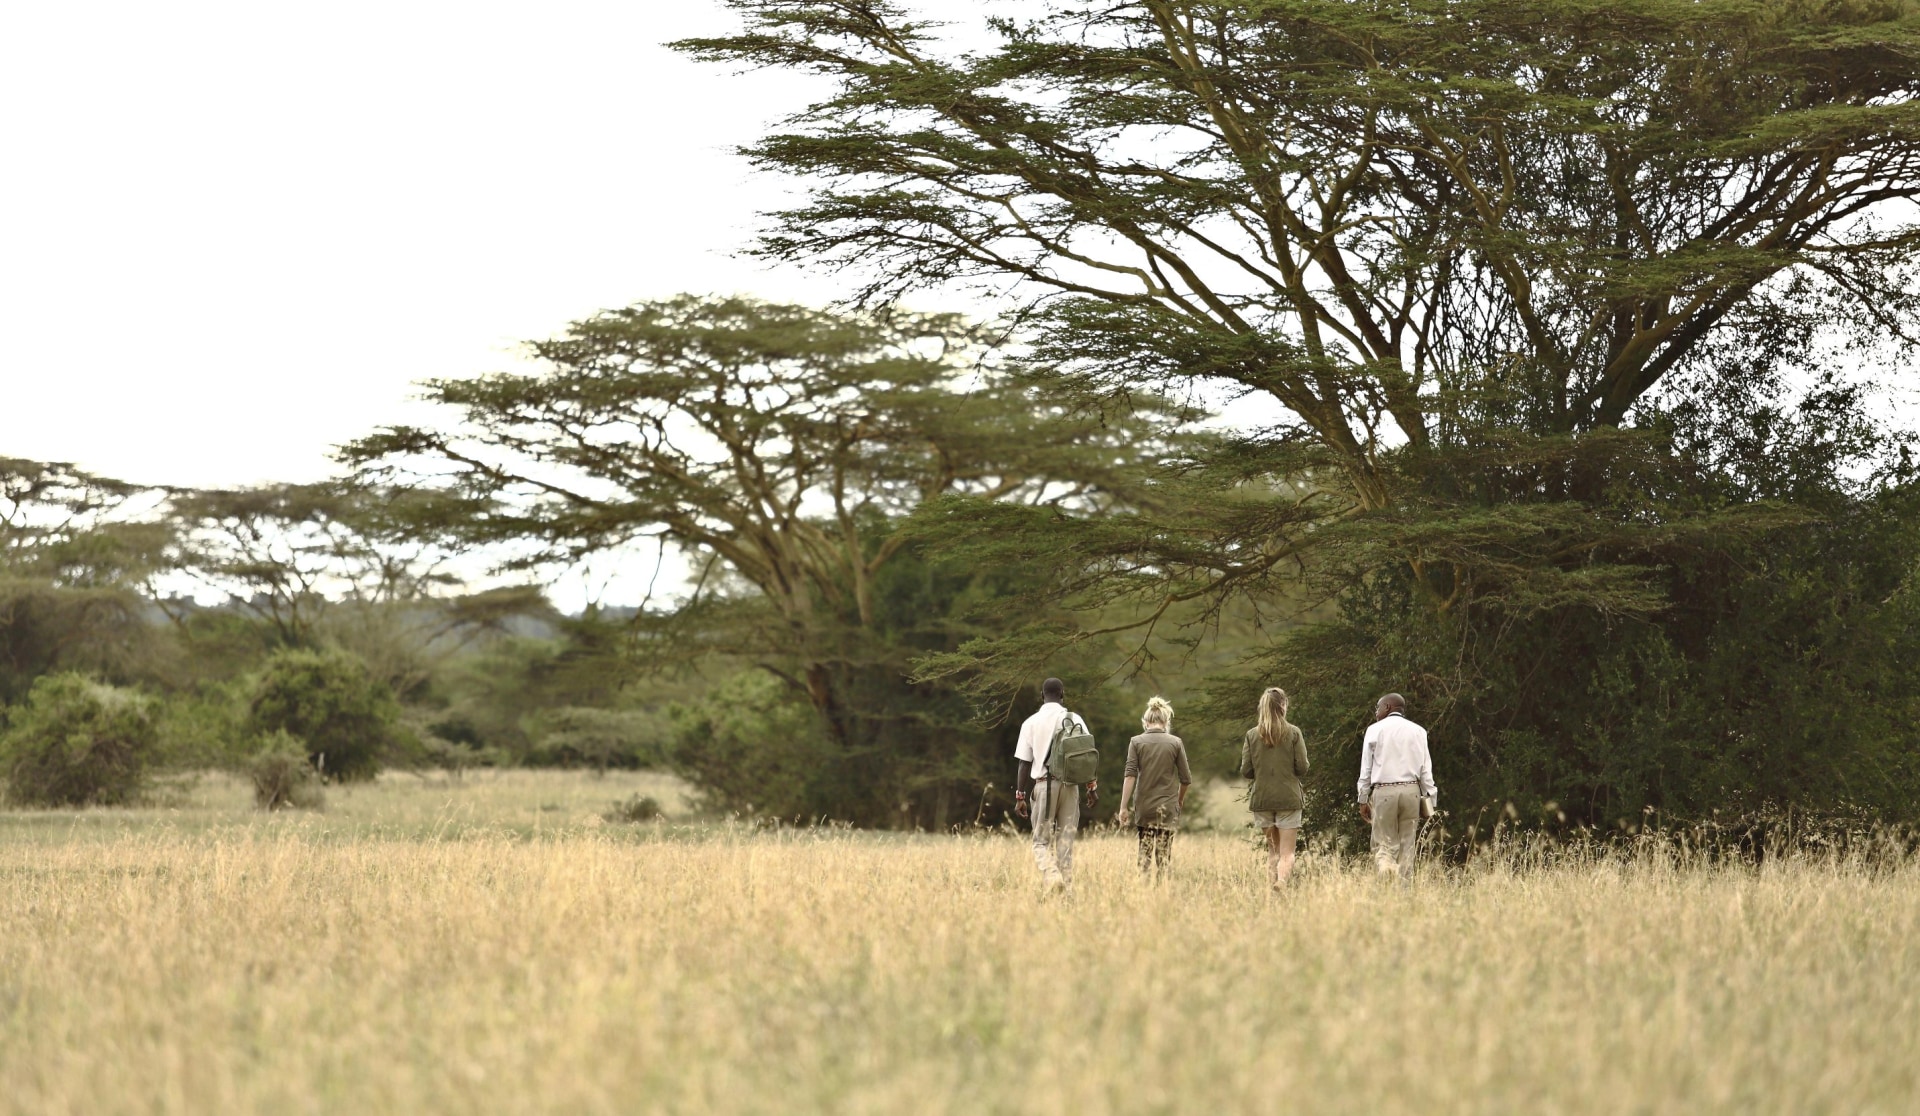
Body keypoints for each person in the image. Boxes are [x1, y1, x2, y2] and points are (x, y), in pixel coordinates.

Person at [1013, 677, 1097, 891]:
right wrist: (1091, 787)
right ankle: (1066, 894)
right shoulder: (1074, 718)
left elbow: (1024, 763)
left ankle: (1052, 876)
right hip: (1070, 786)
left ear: (1042, 696)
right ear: (1062, 694)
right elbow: (1086, 755)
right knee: (1065, 844)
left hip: (1043, 784)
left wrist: (1020, 796)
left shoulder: (1030, 722)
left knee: (1040, 841)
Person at [1356, 692, 1436, 881]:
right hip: (1412, 792)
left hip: (1384, 791)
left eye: (1378, 707)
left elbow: (1366, 769)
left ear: (1388, 707)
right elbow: (1426, 770)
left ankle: (1386, 877)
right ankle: (1404, 891)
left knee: (1383, 843)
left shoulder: (1374, 730)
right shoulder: (1419, 731)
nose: (1376, 712)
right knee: (1407, 844)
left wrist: (1362, 798)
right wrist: (1431, 800)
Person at [1239, 686, 1310, 890]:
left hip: (1262, 800)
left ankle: (1272, 892)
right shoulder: (1294, 732)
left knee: (1273, 851)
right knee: (1287, 853)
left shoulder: (1252, 735)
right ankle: (1282, 882)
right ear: (1283, 705)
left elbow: (1246, 770)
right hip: (1289, 798)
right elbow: (1302, 767)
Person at [1116, 696, 1191, 875]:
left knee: (1145, 852)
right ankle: (1162, 892)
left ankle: (1144, 892)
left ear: (1145, 722)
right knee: (1164, 855)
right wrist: (1179, 801)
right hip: (1167, 807)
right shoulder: (1175, 742)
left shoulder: (1136, 742)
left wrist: (1123, 807)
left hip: (1144, 806)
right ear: (1165, 722)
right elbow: (1186, 779)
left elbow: (1130, 775)